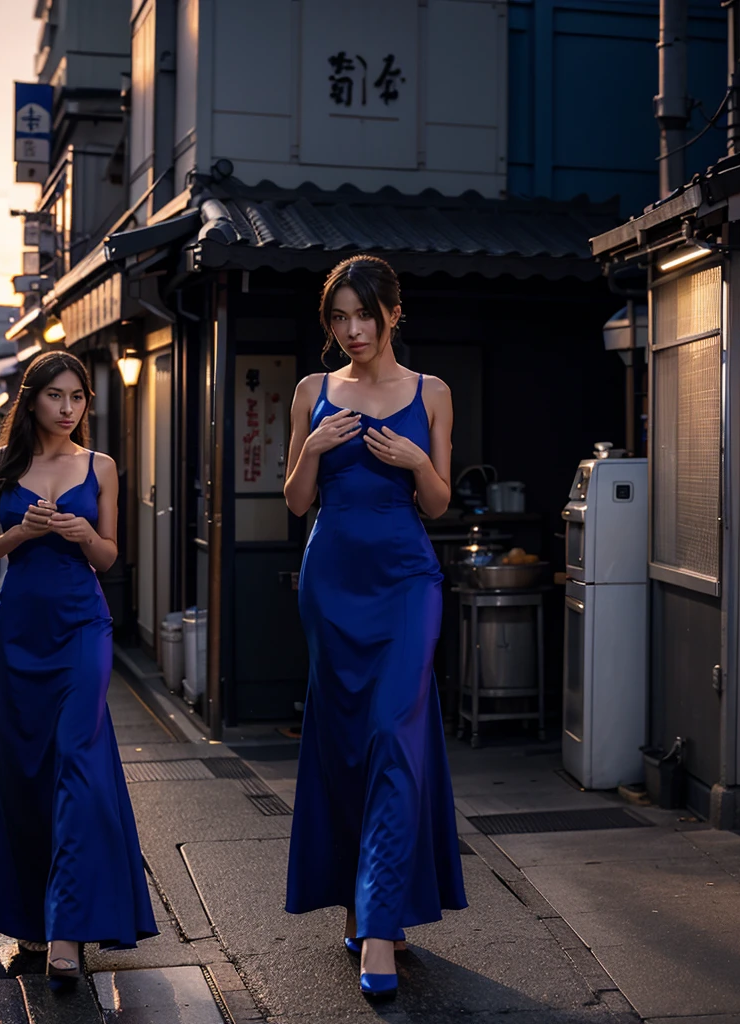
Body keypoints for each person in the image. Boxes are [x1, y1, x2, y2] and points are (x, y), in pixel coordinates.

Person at [283, 255, 467, 1001]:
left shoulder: (433, 393)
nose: (352, 330)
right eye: (339, 317)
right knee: (349, 743)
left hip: (407, 583)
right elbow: (295, 504)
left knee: (394, 733)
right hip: (331, 583)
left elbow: (440, 503)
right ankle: (364, 901)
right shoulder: (309, 392)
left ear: (394, 314)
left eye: (365, 314)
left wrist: (419, 456)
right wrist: (312, 448)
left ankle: (382, 929)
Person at [0, 350, 157, 981]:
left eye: (78, 397)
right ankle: (32, 924)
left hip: (83, 628)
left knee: (76, 759)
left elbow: (107, 557)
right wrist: (22, 535)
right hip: (19, 631)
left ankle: (70, 928)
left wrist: (78, 533)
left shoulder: (100, 466)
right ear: (33, 399)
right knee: (24, 765)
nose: (69, 407)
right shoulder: (0, 464)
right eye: (56, 396)